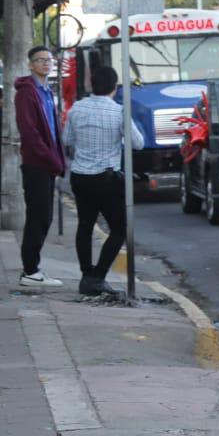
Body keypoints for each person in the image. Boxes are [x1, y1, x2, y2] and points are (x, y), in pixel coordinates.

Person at [62, 66, 143, 296]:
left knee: (85, 225)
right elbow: (138, 143)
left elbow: (66, 139)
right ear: (114, 87)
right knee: (119, 229)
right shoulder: (118, 112)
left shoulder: (77, 108)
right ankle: (97, 276)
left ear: (92, 86)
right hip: (106, 179)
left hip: (80, 176)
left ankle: (87, 275)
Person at [13, 46, 65, 287]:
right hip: (37, 164)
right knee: (38, 217)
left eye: (49, 60)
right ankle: (30, 271)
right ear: (31, 65)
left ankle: (33, 269)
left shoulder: (46, 91)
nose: (46, 63)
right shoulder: (26, 92)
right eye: (40, 60)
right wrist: (52, 159)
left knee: (44, 217)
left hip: (48, 162)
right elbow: (30, 133)